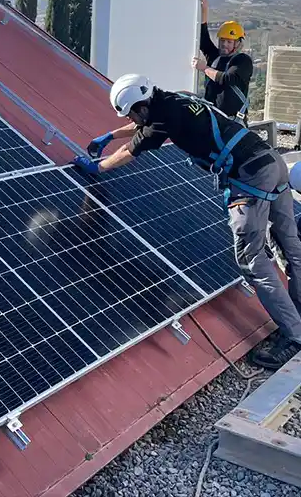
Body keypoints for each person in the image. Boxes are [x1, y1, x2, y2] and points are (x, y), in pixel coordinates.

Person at [76, 73, 301, 370]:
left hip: (249, 179)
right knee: (290, 244)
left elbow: (130, 151)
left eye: (131, 112)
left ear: (141, 106)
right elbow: (138, 127)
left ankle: (294, 335)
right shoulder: (175, 98)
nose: (132, 118)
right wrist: (110, 134)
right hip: (270, 162)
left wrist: (97, 166)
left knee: (251, 259)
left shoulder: (159, 119)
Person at [193, 0, 253, 124]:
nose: (224, 44)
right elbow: (203, 38)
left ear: (237, 43)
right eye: (222, 40)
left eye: (229, 42)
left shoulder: (243, 60)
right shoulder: (215, 57)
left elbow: (227, 79)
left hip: (233, 121)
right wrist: (204, 10)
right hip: (212, 119)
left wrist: (204, 68)